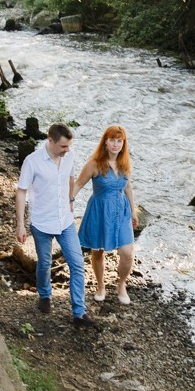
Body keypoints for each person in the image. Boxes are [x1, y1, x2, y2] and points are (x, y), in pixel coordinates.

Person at [15, 122, 97, 329]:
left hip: (65, 221)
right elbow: (21, 191)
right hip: (41, 222)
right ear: (50, 141)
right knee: (44, 263)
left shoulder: (69, 156)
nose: (67, 150)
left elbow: (70, 177)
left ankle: (79, 313)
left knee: (77, 264)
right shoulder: (32, 162)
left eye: (69, 146)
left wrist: (70, 200)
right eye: (63, 146)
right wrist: (20, 225)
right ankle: (44, 295)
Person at [72, 124, 138, 304]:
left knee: (127, 253)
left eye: (119, 141)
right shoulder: (94, 163)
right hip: (100, 210)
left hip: (121, 211)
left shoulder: (124, 162)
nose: (116, 144)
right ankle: (100, 285)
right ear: (105, 142)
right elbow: (78, 184)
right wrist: (68, 202)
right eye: (112, 140)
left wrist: (133, 211)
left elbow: (128, 186)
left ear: (123, 143)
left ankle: (121, 284)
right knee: (98, 251)